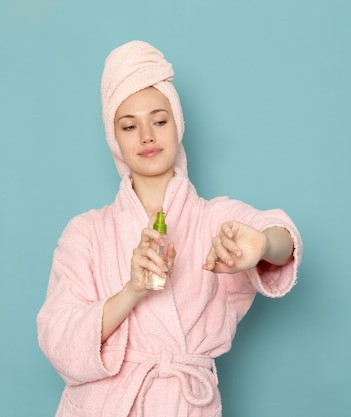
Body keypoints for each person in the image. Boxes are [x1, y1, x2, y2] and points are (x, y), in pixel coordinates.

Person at [37, 40, 303, 417]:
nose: (147, 136)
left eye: (159, 121)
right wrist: (132, 291)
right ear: (115, 138)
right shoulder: (85, 233)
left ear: (177, 125)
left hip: (184, 404)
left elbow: (283, 238)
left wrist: (260, 245)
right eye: (129, 126)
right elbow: (57, 339)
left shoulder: (213, 219)